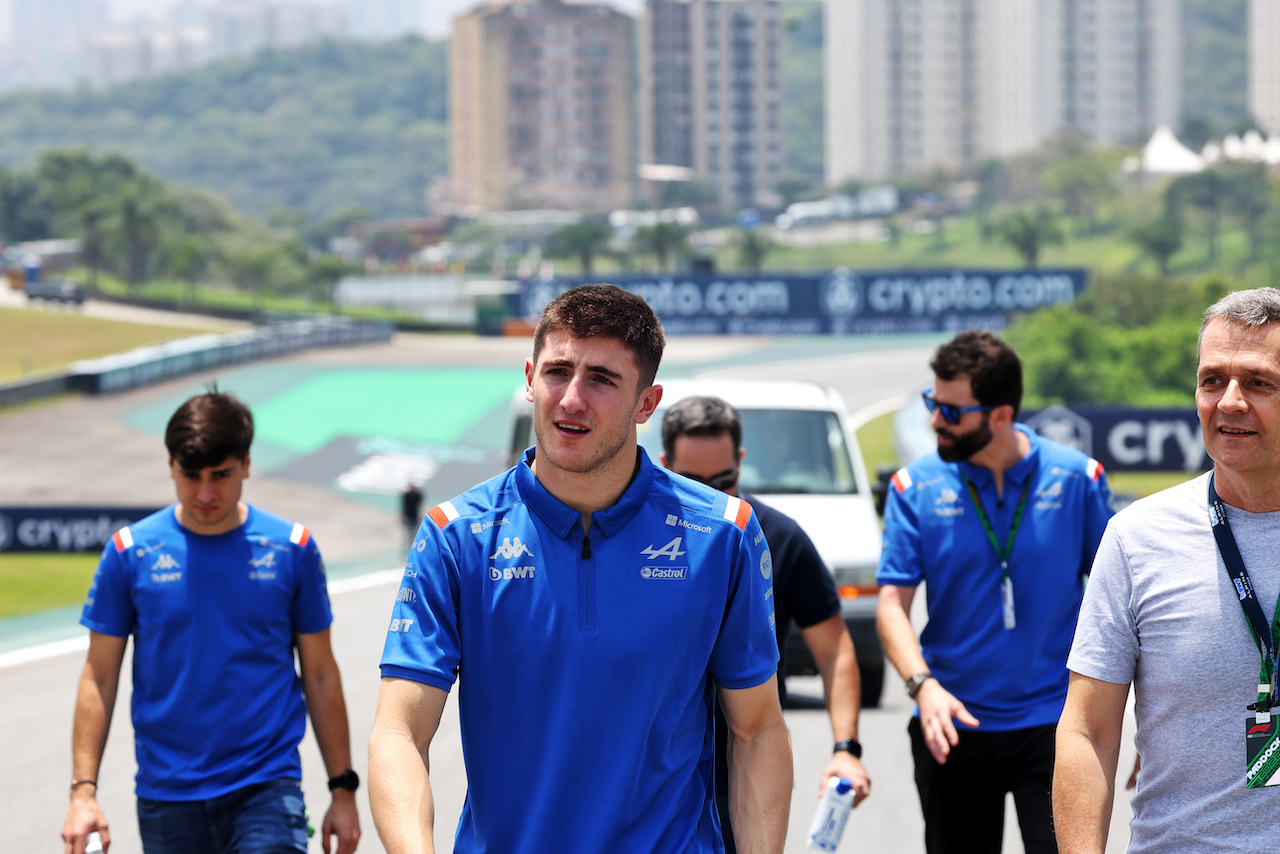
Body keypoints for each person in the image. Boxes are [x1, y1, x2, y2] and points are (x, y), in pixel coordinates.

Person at [368, 283, 791, 854]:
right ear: (528, 378)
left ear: (647, 402)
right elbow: (400, 731)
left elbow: (757, 729)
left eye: (602, 379)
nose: (570, 399)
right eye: (557, 371)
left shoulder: (724, 534)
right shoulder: (455, 536)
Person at [60, 389, 361, 854]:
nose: (204, 493)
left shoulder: (293, 548)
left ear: (246, 464)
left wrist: (343, 790)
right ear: (169, 465)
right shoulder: (127, 554)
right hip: (167, 796)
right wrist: (83, 792)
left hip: (266, 787)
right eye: (190, 475)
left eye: (220, 475)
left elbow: (320, 674)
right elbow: (98, 677)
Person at [1055, 286, 1280, 852]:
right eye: (1212, 380)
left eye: (1258, 382)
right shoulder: (1137, 538)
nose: (1229, 401)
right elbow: (1089, 730)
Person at [876, 329, 1113, 854]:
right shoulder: (913, 488)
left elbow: (1121, 602)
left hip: (1057, 724)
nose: (935, 420)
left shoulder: (1078, 479)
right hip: (951, 723)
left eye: (952, 411)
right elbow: (893, 606)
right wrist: (922, 686)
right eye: (931, 404)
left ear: (1001, 415)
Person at [660, 395, 871, 854]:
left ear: (741, 461)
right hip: (657, 771)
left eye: (724, 481)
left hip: (746, 761)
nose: (712, 496)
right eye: (692, 482)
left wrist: (846, 749)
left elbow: (835, 650)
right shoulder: (635, 535)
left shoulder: (779, 537)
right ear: (664, 464)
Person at [399, 481, 422, 546]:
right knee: (408, 532)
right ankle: (407, 545)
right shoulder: (406, 495)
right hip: (408, 516)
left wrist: (420, 515)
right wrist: (402, 516)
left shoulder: (417, 495)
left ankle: (413, 545)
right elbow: (403, 506)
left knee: (414, 532)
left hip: (415, 516)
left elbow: (420, 505)